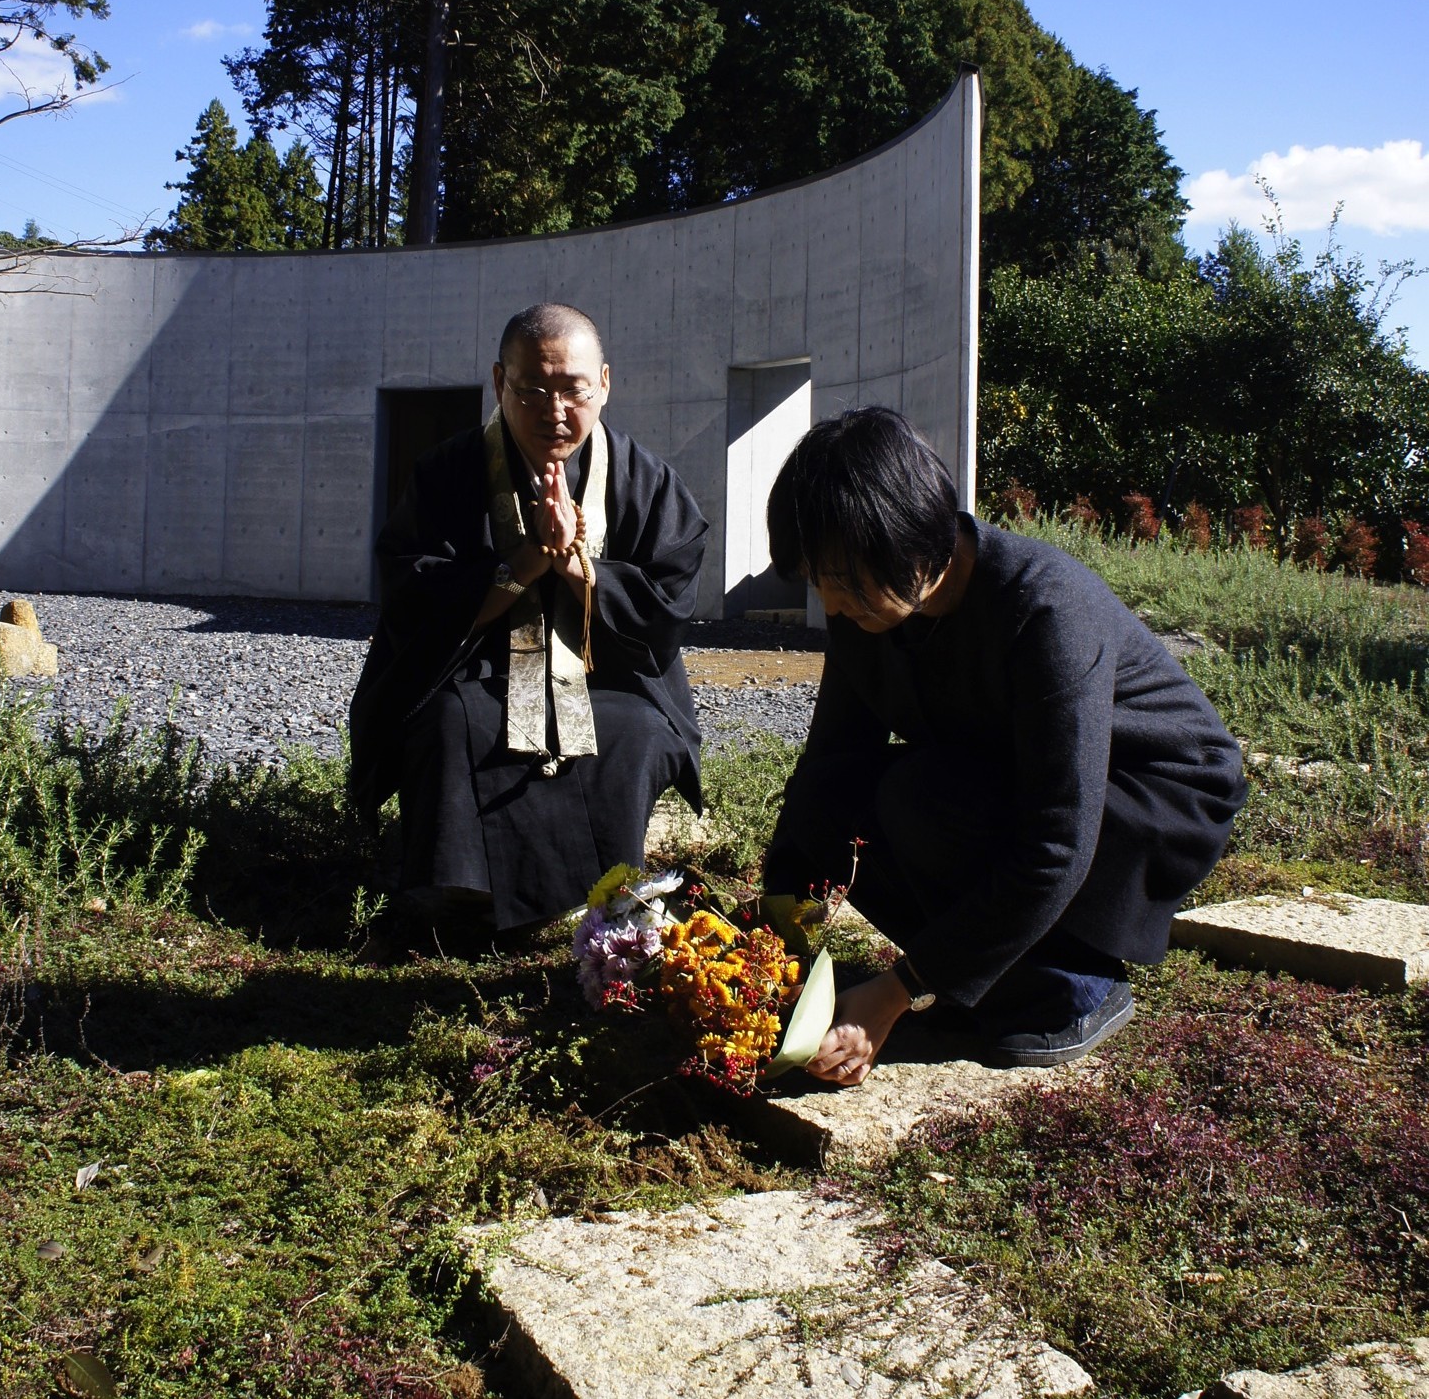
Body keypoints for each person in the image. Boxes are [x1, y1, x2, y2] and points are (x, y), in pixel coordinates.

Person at [763, 407, 1247, 1084]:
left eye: (844, 580)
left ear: (911, 537)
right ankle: (992, 974)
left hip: (1148, 796)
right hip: (1015, 773)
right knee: (840, 794)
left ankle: (1071, 983)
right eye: (820, 583)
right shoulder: (869, 618)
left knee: (919, 800)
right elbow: (829, 766)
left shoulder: (1044, 608)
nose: (833, 605)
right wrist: (774, 924)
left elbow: (1058, 840)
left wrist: (898, 988)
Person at [349, 303, 707, 941]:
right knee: (451, 722)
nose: (554, 409)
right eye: (532, 389)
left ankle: (609, 897)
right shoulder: (445, 474)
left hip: (606, 674)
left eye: (572, 389)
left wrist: (577, 567)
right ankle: (464, 900)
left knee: (636, 731)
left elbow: (665, 611)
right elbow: (413, 597)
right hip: (475, 670)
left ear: (604, 384)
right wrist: (530, 558)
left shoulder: (646, 482)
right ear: (497, 383)